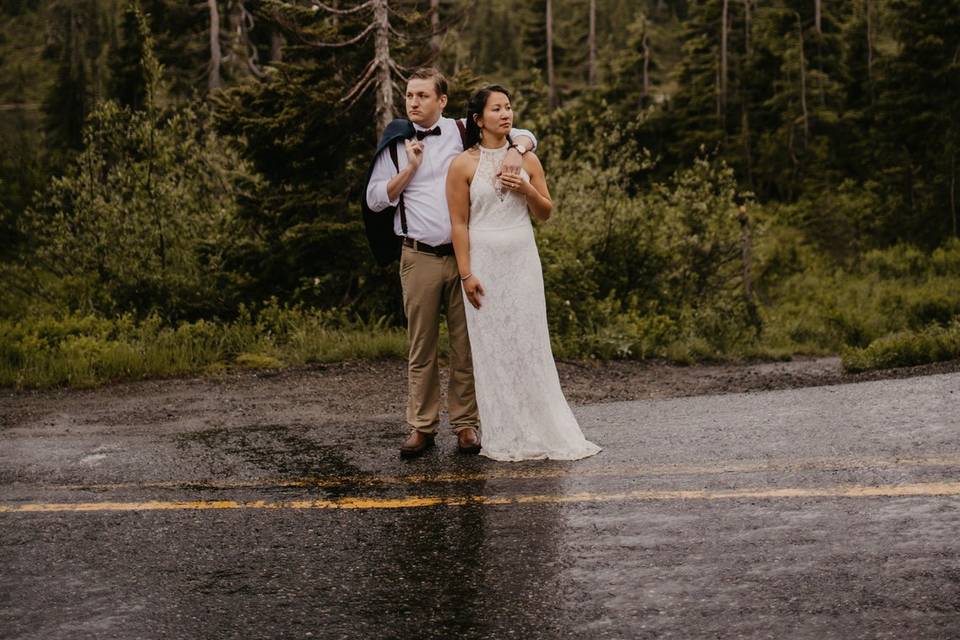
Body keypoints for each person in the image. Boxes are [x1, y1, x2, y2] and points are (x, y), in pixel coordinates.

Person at [364, 68, 537, 458]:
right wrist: (408, 170)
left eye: (423, 96)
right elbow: (375, 198)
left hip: (466, 257)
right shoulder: (396, 140)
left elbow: (525, 132)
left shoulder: (462, 130)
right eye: (409, 95)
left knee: (466, 345)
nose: (413, 102)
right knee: (421, 347)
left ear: (442, 101)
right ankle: (421, 427)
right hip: (418, 255)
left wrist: (517, 148)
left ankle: (465, 425)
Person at [445, 85, 601, 461]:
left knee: (529, 343)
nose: (505, 114)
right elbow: (459, 224)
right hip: (484, 263)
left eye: (509, 107)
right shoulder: (462, 164)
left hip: (522, 261)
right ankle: (505, 430)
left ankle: (542, 428)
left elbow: (545, 212)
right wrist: (466, 274)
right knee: (493, 348)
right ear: (479, 120)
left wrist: (526, 190)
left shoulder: (527, 160)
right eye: (496, 109)